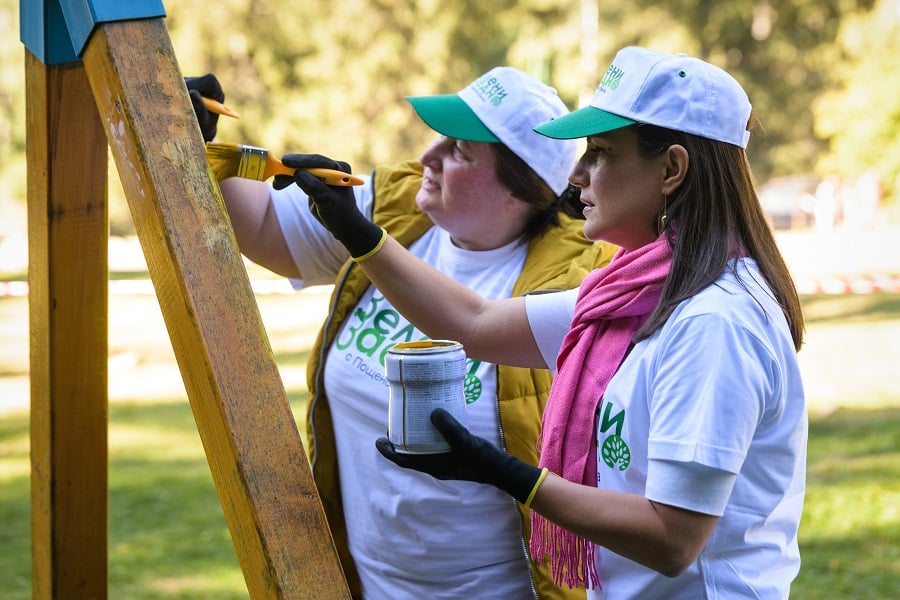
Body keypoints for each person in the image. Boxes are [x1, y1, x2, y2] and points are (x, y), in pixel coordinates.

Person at [287, 46, 808, 599]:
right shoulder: (636, 293)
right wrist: (358, 233)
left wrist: (506, 473)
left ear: (672, 169)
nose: (578, 174)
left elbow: (673, 539)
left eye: (602, 152)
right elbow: (478, 323)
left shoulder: (714, 321)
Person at [189, 69, 617, 599]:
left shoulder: (583, 282)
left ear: (522, 188)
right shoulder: (393, 205)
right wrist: (195, 134)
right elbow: (263, 230)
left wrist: (363, 238)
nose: (428, 158)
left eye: (459, 151)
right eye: (437, 137)